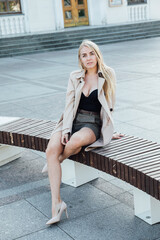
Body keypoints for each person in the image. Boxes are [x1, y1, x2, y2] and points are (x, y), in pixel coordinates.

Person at [44, 40, 122, 225]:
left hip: (92, 123)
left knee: (71, 144)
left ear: (97, 54)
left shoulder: (108, 74)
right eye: (84, 55)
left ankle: (59, 160)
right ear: (80, 58)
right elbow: (69, 104)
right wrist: (66, 128)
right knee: (50, 151)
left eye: (91, 53)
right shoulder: (75, 76)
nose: (88, 58)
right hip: (72, 119)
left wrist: (110, 132)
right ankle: (57, 204)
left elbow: (110, 105)